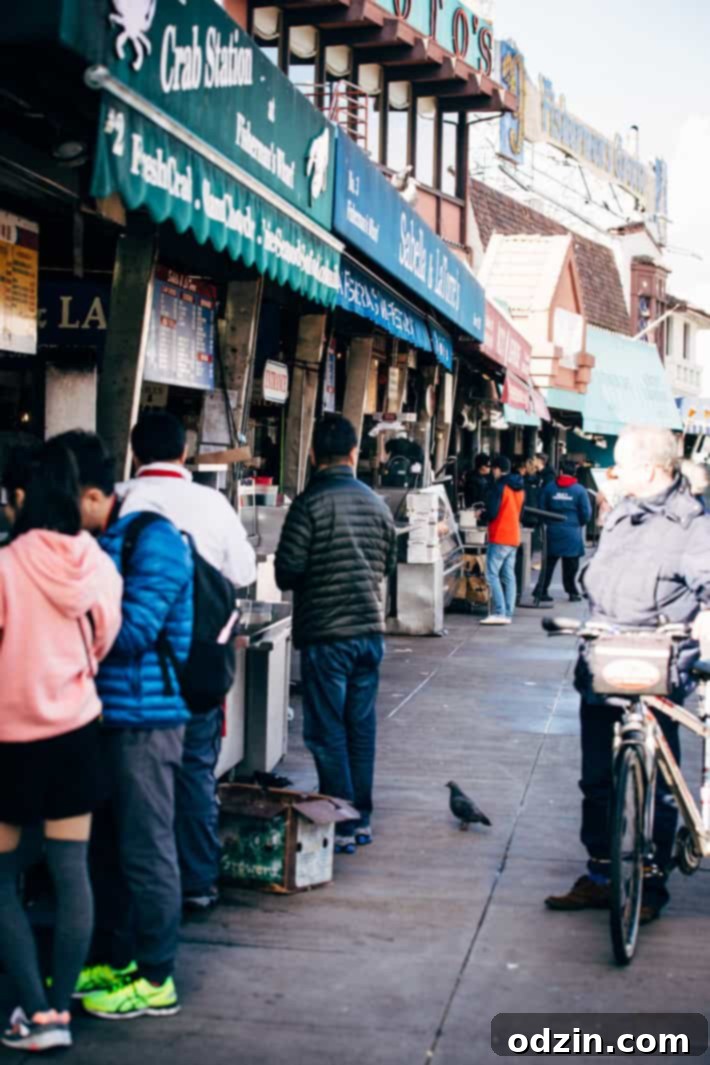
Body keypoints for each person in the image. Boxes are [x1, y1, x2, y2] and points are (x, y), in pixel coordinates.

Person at [545, 426, 710, 923]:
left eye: (621, 466)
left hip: (658, 662)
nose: (613, 475)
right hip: (603, 656)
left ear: (653, 469)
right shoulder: (621, 513)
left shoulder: (691, 525)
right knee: (596, 778)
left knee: (658, 778)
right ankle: (600, 872)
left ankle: (651, 880)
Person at [56, 431, 193, 1020]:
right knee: (105, 849)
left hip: (148, 719)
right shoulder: (105, 538)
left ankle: (157, 975)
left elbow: (135, 631)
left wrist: (59, 614)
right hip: (106, 716)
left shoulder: (154, 539)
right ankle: (114, 961)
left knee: (146, 848)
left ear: (92, 495)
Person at [0, 440, 122, 1052]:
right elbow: (105, 640)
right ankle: (60, 1010)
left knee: (0, 878)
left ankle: (33, 1014)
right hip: (76, 735)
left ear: (22, 499)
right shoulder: (95, 563)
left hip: (11, 743)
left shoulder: (5, 565)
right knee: (72, 872)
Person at [119, 411, 256, 912]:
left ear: (135, 454)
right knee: (196, 772)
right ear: (184, 454)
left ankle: (131, 894)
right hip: (197, 665)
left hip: (126, 672)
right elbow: (242, 571)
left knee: (131, 786)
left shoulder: (116, 500)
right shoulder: (211, 502)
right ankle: (198, 882)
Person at [275, 415, 397, 854]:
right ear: (354, 454)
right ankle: (360, 818)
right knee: (359, 727)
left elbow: (287, 569)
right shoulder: (377, 503)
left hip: (327, 635)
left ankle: (342, 822)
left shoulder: (308, 504)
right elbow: (387, 564)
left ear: (312, 456)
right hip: (368, 632)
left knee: (327, 731)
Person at [536, 457, 592, 603]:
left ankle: (541, 590)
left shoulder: (550, 487)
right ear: (574, 473)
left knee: (548, 564)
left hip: (553, 531)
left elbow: (541, 507)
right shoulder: (579, 490)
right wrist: (578, 523)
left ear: (560, 471)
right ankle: (572, 592)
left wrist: (549, 522)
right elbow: (586, 513)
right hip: (572, 532)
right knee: (571, 565)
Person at [480, 455, 525, 626]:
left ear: (497, 469)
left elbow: (492, 512)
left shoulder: (499, 486)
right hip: (514, 535)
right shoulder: (519, 487)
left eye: (493, 469)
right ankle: (508, 612)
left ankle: (499, 612)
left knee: (491, 574)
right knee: (508, 576)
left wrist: (481, 514)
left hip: (499, 535)